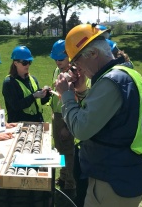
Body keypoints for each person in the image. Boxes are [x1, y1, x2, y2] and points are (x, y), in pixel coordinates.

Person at [55, 24, 142, 207]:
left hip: (113, 180)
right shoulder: (124, 75)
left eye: (77, 61)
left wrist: (67, 95)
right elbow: (100, 116)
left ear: (93, 54)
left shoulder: (111, 81)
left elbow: (81, 129)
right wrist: (80, 90)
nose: (77, 68)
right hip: (122, 174)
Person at [48, 40, 76, 199]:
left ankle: (70, 184)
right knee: (60, 149)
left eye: (61, 59)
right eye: (55, 59)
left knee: (68, 151)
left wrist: (67, 126)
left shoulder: (73, 74)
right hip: (57, 115)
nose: (58, 62)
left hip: (66, 117)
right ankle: (63, 177)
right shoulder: (56, 70)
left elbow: (76, 100)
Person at [2, 45, 51, 123]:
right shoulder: (9, 82)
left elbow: (40, 102)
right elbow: (16, 106)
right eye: (24, 62)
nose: (28, 65)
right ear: (15, 63)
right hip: (18, 125)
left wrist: (46, 93)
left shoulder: (33, 79)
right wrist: (34, 96)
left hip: (37, 122)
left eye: (29, 62)